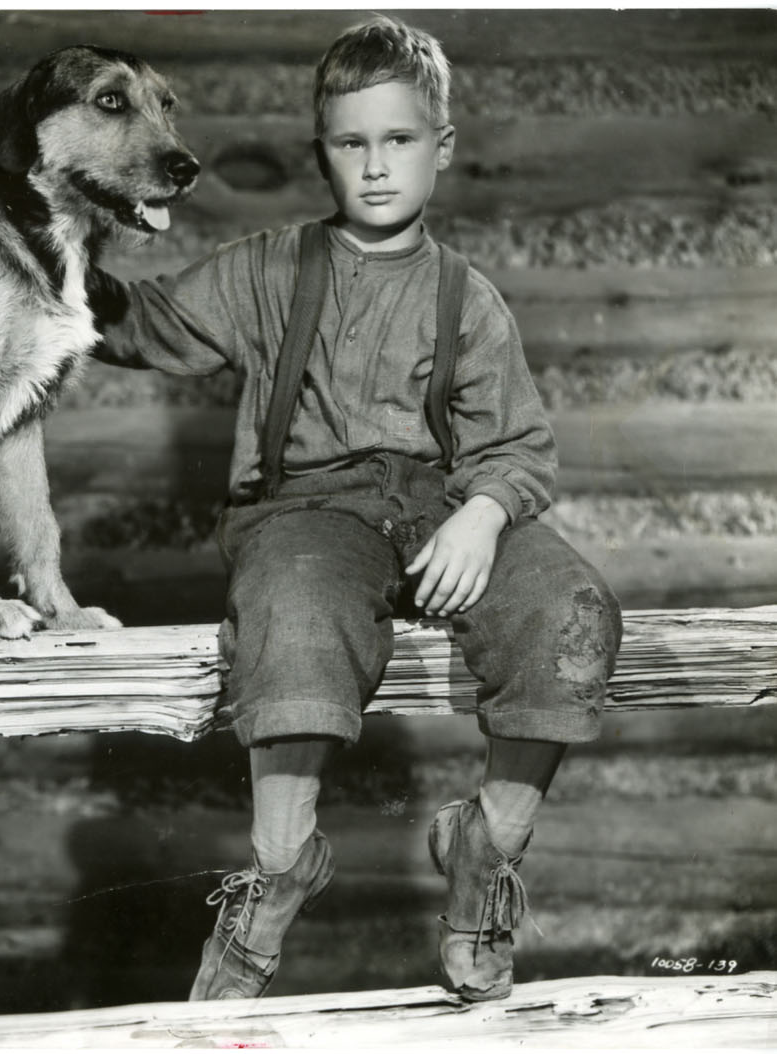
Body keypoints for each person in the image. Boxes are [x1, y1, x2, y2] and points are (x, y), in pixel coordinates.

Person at [89, 14, 622, 1002]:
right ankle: (280, 864)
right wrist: (30, 255)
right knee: (293, 609)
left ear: (441, 147)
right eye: (351, 143)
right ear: (321, 153)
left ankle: (486, 849)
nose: (376, 167)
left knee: (573, 610)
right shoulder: (268, 269)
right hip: (308, 516)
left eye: (399, 139)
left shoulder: (467, 298)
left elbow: (518, 448)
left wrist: (484, 513)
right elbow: (144, 324)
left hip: (441, 512)